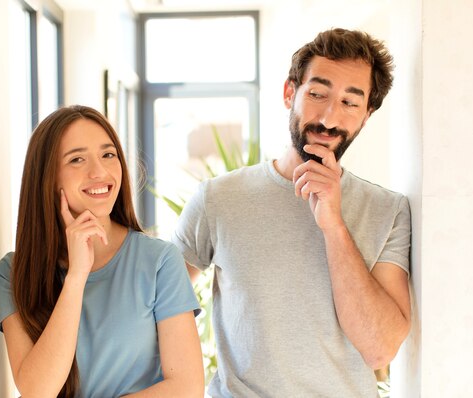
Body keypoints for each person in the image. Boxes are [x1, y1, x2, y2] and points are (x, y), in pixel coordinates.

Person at [172, 28, 411, 397]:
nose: (329, 118)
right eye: (318, 94)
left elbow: (379, 347)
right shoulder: (218, 198)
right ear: (290, 93)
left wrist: (333, 224)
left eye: (350, 102)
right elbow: (158, 305)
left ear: (367, 115)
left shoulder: (389, 211)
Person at [0, 105, 204, 398]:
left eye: (108, 155)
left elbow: (187, 387)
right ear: (47, 177)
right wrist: (76, 276)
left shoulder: (159, 261)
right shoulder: (14, 272)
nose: (99, 172)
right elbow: (37, 390)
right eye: (77, 159)